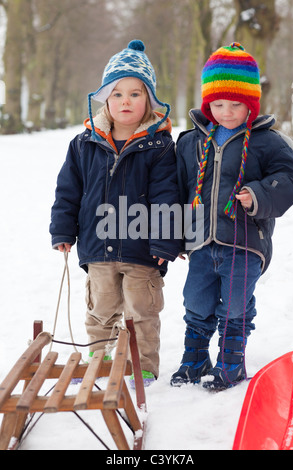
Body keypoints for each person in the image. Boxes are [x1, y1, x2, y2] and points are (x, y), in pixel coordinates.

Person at [50, 40, 182, 388]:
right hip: (98, 246)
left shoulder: (159, 146)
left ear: (149, 100)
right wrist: (63, 231)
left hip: (143, 250)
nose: (126, 101)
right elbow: (68, 192)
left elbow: (168, 197)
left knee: (142, 313)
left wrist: (165, 242)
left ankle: (144, 366)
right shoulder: (84, 143)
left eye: (135, 94)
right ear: (105, 99)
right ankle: (100, 360)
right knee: (101, 311)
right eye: (118, 94)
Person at [171, 42, 293, 391]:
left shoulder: (268, 142)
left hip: (244, 242)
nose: (226, 112)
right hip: (201, 241)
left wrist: (258, 194)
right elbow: (178, 190)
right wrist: (177, 234)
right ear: (207, 103)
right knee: (196, 301)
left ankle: (231, 363)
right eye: (218, 104)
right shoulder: (190, 142)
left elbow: (289, 180)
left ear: (251, 104)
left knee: (236, 304)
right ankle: (195, 359)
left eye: (235, 104)